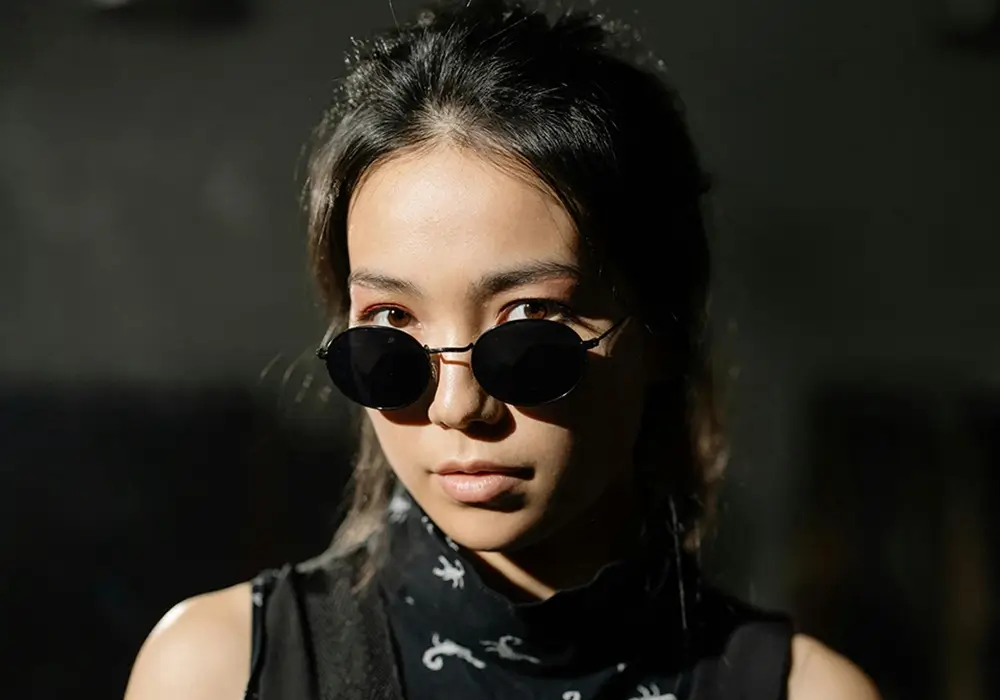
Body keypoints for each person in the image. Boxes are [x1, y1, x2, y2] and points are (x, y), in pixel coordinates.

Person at [124, 1, 881, 698]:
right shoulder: (216, 671)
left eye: (528, 324)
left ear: (662, 330)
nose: (457, 407)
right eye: (391, 325)